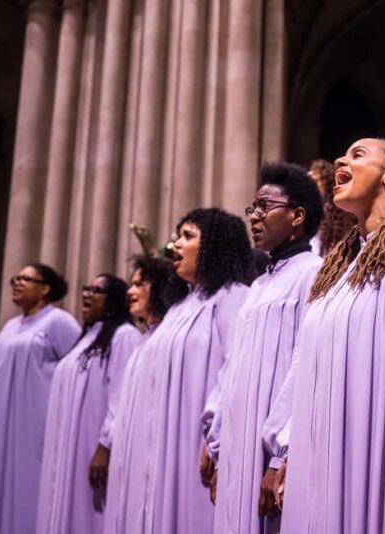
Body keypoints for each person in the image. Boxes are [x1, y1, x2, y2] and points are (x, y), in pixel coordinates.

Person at [274, 139, 385, 534]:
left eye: (358, 154)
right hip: (320, 451)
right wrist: (287, 450)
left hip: (379, 445)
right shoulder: (337, 268)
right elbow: (303, 363)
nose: (341, 158)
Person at [103, 208, 254, 534]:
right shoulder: (180, 308)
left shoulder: (233, 297)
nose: (175, 244)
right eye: (177, 236)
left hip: (196, 443)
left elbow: (237, 369)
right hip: (161, 443)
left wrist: (216, 436)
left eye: (187, 236)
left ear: (214, 243)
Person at [203, 163, 323, 534]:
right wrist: (219, 446)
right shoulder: (258, 286)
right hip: (239, 443)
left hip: (273, 449)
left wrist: (279, 455)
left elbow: (305, 366)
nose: (254, 217)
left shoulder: (313, 273)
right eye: (252, 208)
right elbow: (232, 369)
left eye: (264, 207)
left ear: (297, 216)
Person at [36, 274, 141, 534]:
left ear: (113, 298)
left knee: (87, 513)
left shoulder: (123, 335)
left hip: (93, 443)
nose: (86, 294)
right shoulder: (87, 338)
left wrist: (105, 445)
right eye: (86, 288)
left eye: (96, 290)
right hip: (68, 446)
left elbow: (121, 395)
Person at [0, 264, 80, 534]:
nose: (17, 283)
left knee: (27, 488)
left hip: (34, 426)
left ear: (45, 289)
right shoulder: (11, 325)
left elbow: (79, 368)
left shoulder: (58, 321)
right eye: (16, 278)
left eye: (26, 279)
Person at [102, 254, 187, 534]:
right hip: (128, 451)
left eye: (140, 284)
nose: (131, 291)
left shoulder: (166, 340)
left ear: (160, 287)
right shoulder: (143, 341)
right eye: (131, 284)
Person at [308, 159, 357, 256]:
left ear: (328, 186)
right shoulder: (305, 215)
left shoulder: (339, 221)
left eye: (314, 181)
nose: (308, 185)